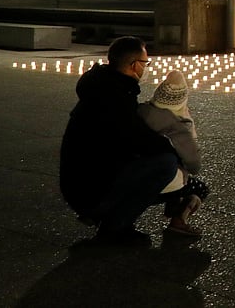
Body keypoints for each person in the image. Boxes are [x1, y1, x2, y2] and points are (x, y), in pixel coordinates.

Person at [59, 36, 178, 245]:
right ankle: (115, 226)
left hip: (81, 182)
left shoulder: (106, 86)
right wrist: (174, 152)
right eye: (145, 63)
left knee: (159, 161)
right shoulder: (113, 96)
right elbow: (136, 137)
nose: (147, 68)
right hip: (88, 188)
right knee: (166, 164)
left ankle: (108, 216)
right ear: (134, 65)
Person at [138, 69, 209, 237]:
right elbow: (194, 165)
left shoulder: (141, 112)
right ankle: (178, 220)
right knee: (195, 186)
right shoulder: (180, 127)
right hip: (159, 183)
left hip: (131, 177)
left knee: (173, 170)